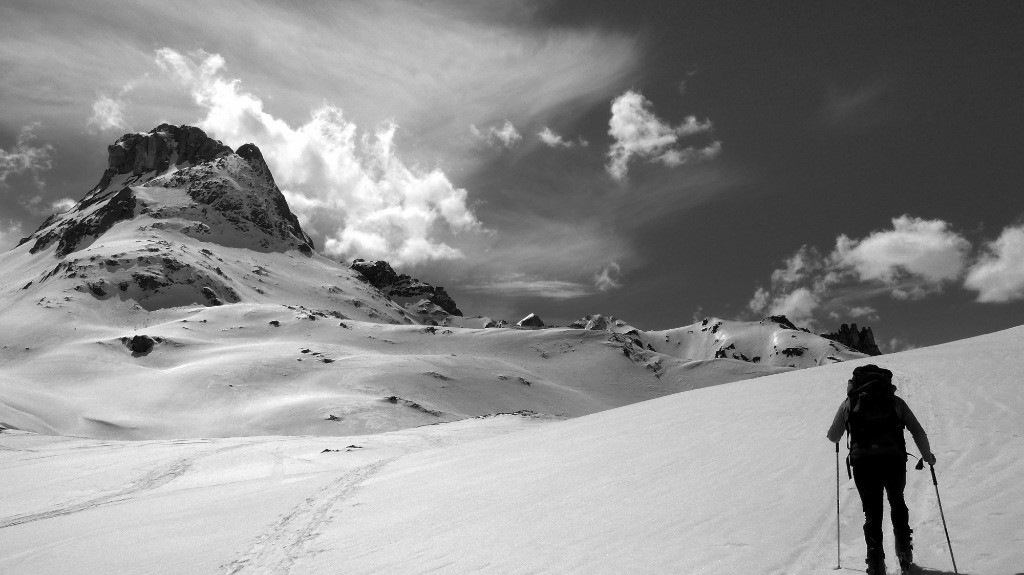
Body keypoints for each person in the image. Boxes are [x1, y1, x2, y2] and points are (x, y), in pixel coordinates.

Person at [827, 364, 936, 575]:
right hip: (893, 460)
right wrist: (928, 457)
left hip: (863, 463)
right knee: (897, 501)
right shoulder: (894, 401)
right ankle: (904, 553)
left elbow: (833, 436)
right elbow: (918, 431)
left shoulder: (851, 401)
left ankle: (875, 561)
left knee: (872, 512)